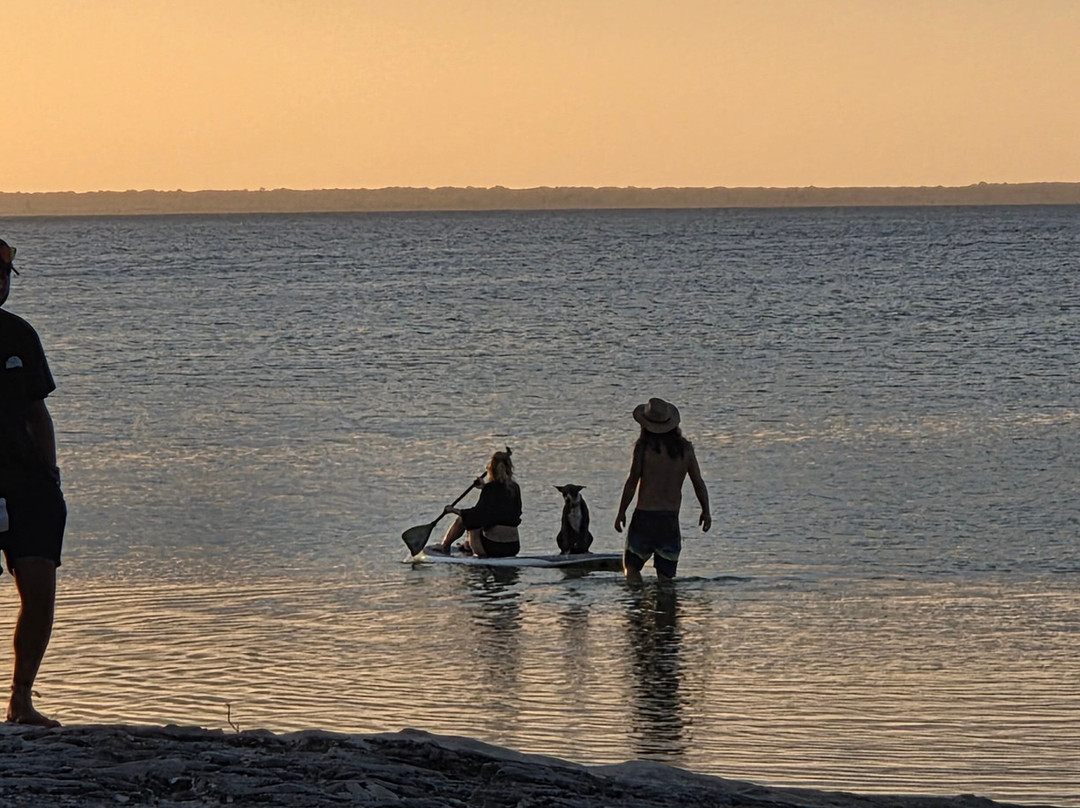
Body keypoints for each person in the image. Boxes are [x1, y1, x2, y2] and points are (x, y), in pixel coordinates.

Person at [0, 238, 66, 727]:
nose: (0, 284)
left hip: (28, 483)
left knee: (39, 589)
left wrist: (51, 474)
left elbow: (37, 410)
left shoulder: (19, 334)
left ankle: (21, 700)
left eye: (4, 277)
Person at [614, 398, 710, 583]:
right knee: (665, 579)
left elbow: (632, 481)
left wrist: (621, 512)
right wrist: (706, 511)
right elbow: (698, 482)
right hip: (669, 519)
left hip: (644, 517)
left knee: (632, 570)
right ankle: (666, 609)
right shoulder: (685, 449)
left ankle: (636, 607)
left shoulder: (643, 448)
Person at [438, 447, 521, 558]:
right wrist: (485, 488)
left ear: (491, 469)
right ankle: (467, 546)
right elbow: (501, 507)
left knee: (465, 519)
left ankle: (445, 546)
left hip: (493, 548)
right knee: (479, 522)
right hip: (513, 547)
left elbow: (477, 515)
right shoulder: (515, 488)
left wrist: (453, 510)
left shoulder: (491, 489)